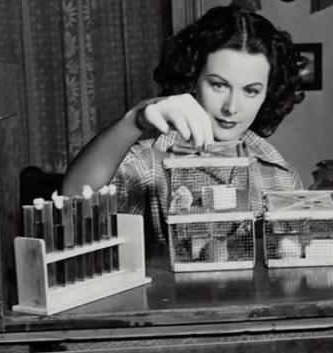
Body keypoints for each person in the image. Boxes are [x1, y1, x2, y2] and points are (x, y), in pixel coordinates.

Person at [62, 5, 307, 242]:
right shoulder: (147, 164)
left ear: (268, 93)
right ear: (193, 79)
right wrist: (133, 120)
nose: (231, 107)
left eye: (251, 91)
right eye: (218, 85)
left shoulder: (281, 175)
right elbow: (73, 199)